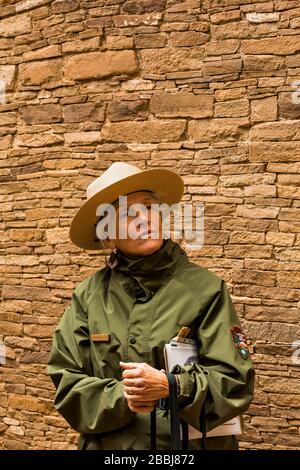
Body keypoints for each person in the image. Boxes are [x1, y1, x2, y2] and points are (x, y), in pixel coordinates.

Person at [47, 162, 255, 450]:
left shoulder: (206, 290)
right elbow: (67, 382)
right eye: (127, 214)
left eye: (149, 207)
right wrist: (125, 396)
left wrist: (172, 386)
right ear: (107, 236)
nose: (144, 218)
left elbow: (235, 383)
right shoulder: (87, 297)